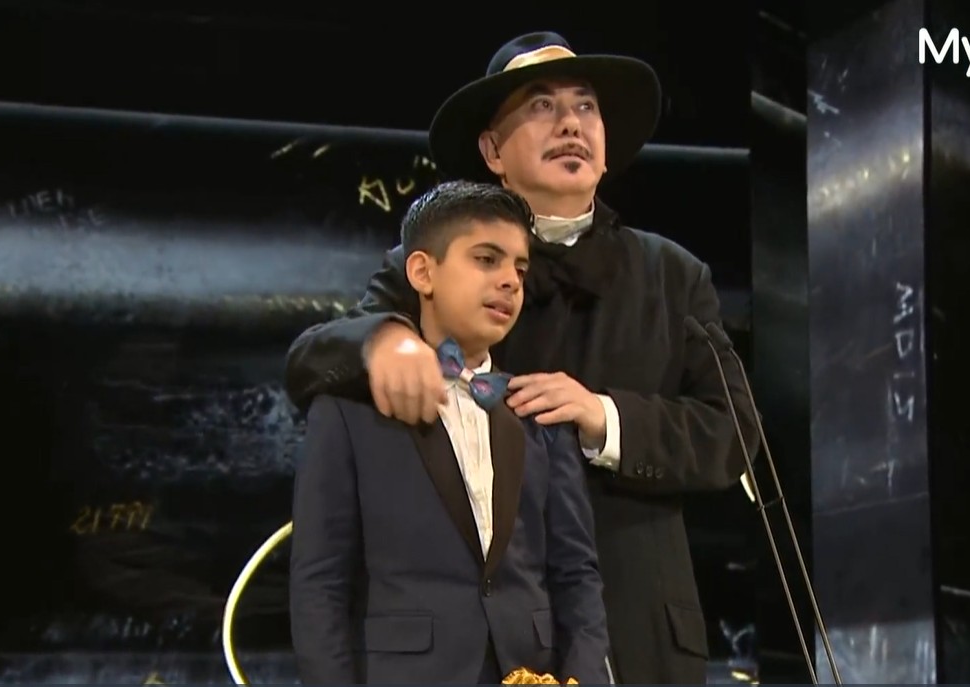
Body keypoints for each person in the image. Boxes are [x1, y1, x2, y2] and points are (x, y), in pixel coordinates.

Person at [285, 32, 759, 684]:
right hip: (480, 644)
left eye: (586, 106)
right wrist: (387, 338)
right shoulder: (432, 265)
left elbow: (734, 432)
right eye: (541, 106)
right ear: (492, 151)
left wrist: (603, 417)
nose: (570, 123)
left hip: (641, 622)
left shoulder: (673, 275)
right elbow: (315, 358)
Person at [289, 180, 610, 685]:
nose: (509, 281)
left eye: (519, 269)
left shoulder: (537, 414)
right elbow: (320, 581)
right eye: (486, 259)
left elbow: (577, 575)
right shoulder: (348, 411)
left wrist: (584, 678)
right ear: (422, 271)